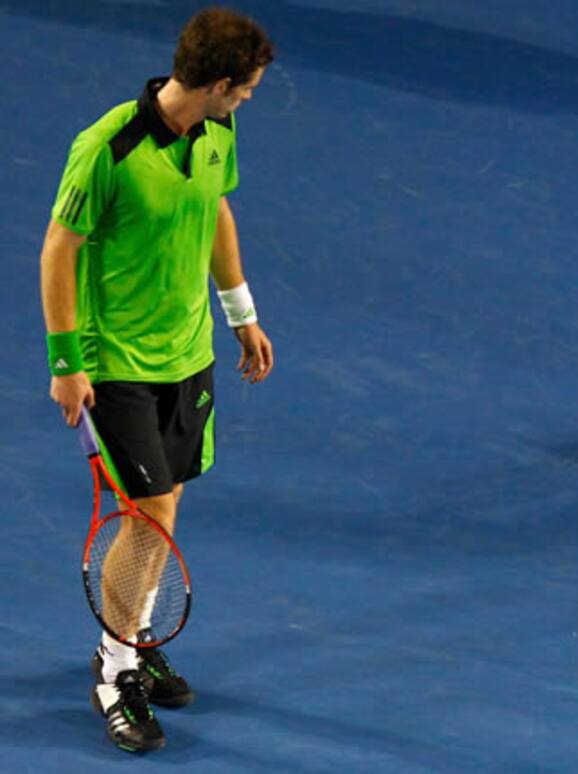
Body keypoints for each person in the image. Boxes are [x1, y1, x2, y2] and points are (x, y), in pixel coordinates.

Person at [39, 7, 275, 753]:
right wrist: (66, 363)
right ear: (215, 83)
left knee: (163, 507)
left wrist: (240, 314)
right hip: (117, 365)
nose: (248, 102)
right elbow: (58, 251)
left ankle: (133, 635)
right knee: (151, 518)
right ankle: (116, 673)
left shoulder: (216, 134)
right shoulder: (107, 147)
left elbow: (216, 212)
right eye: (244, 91)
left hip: (188, 353)